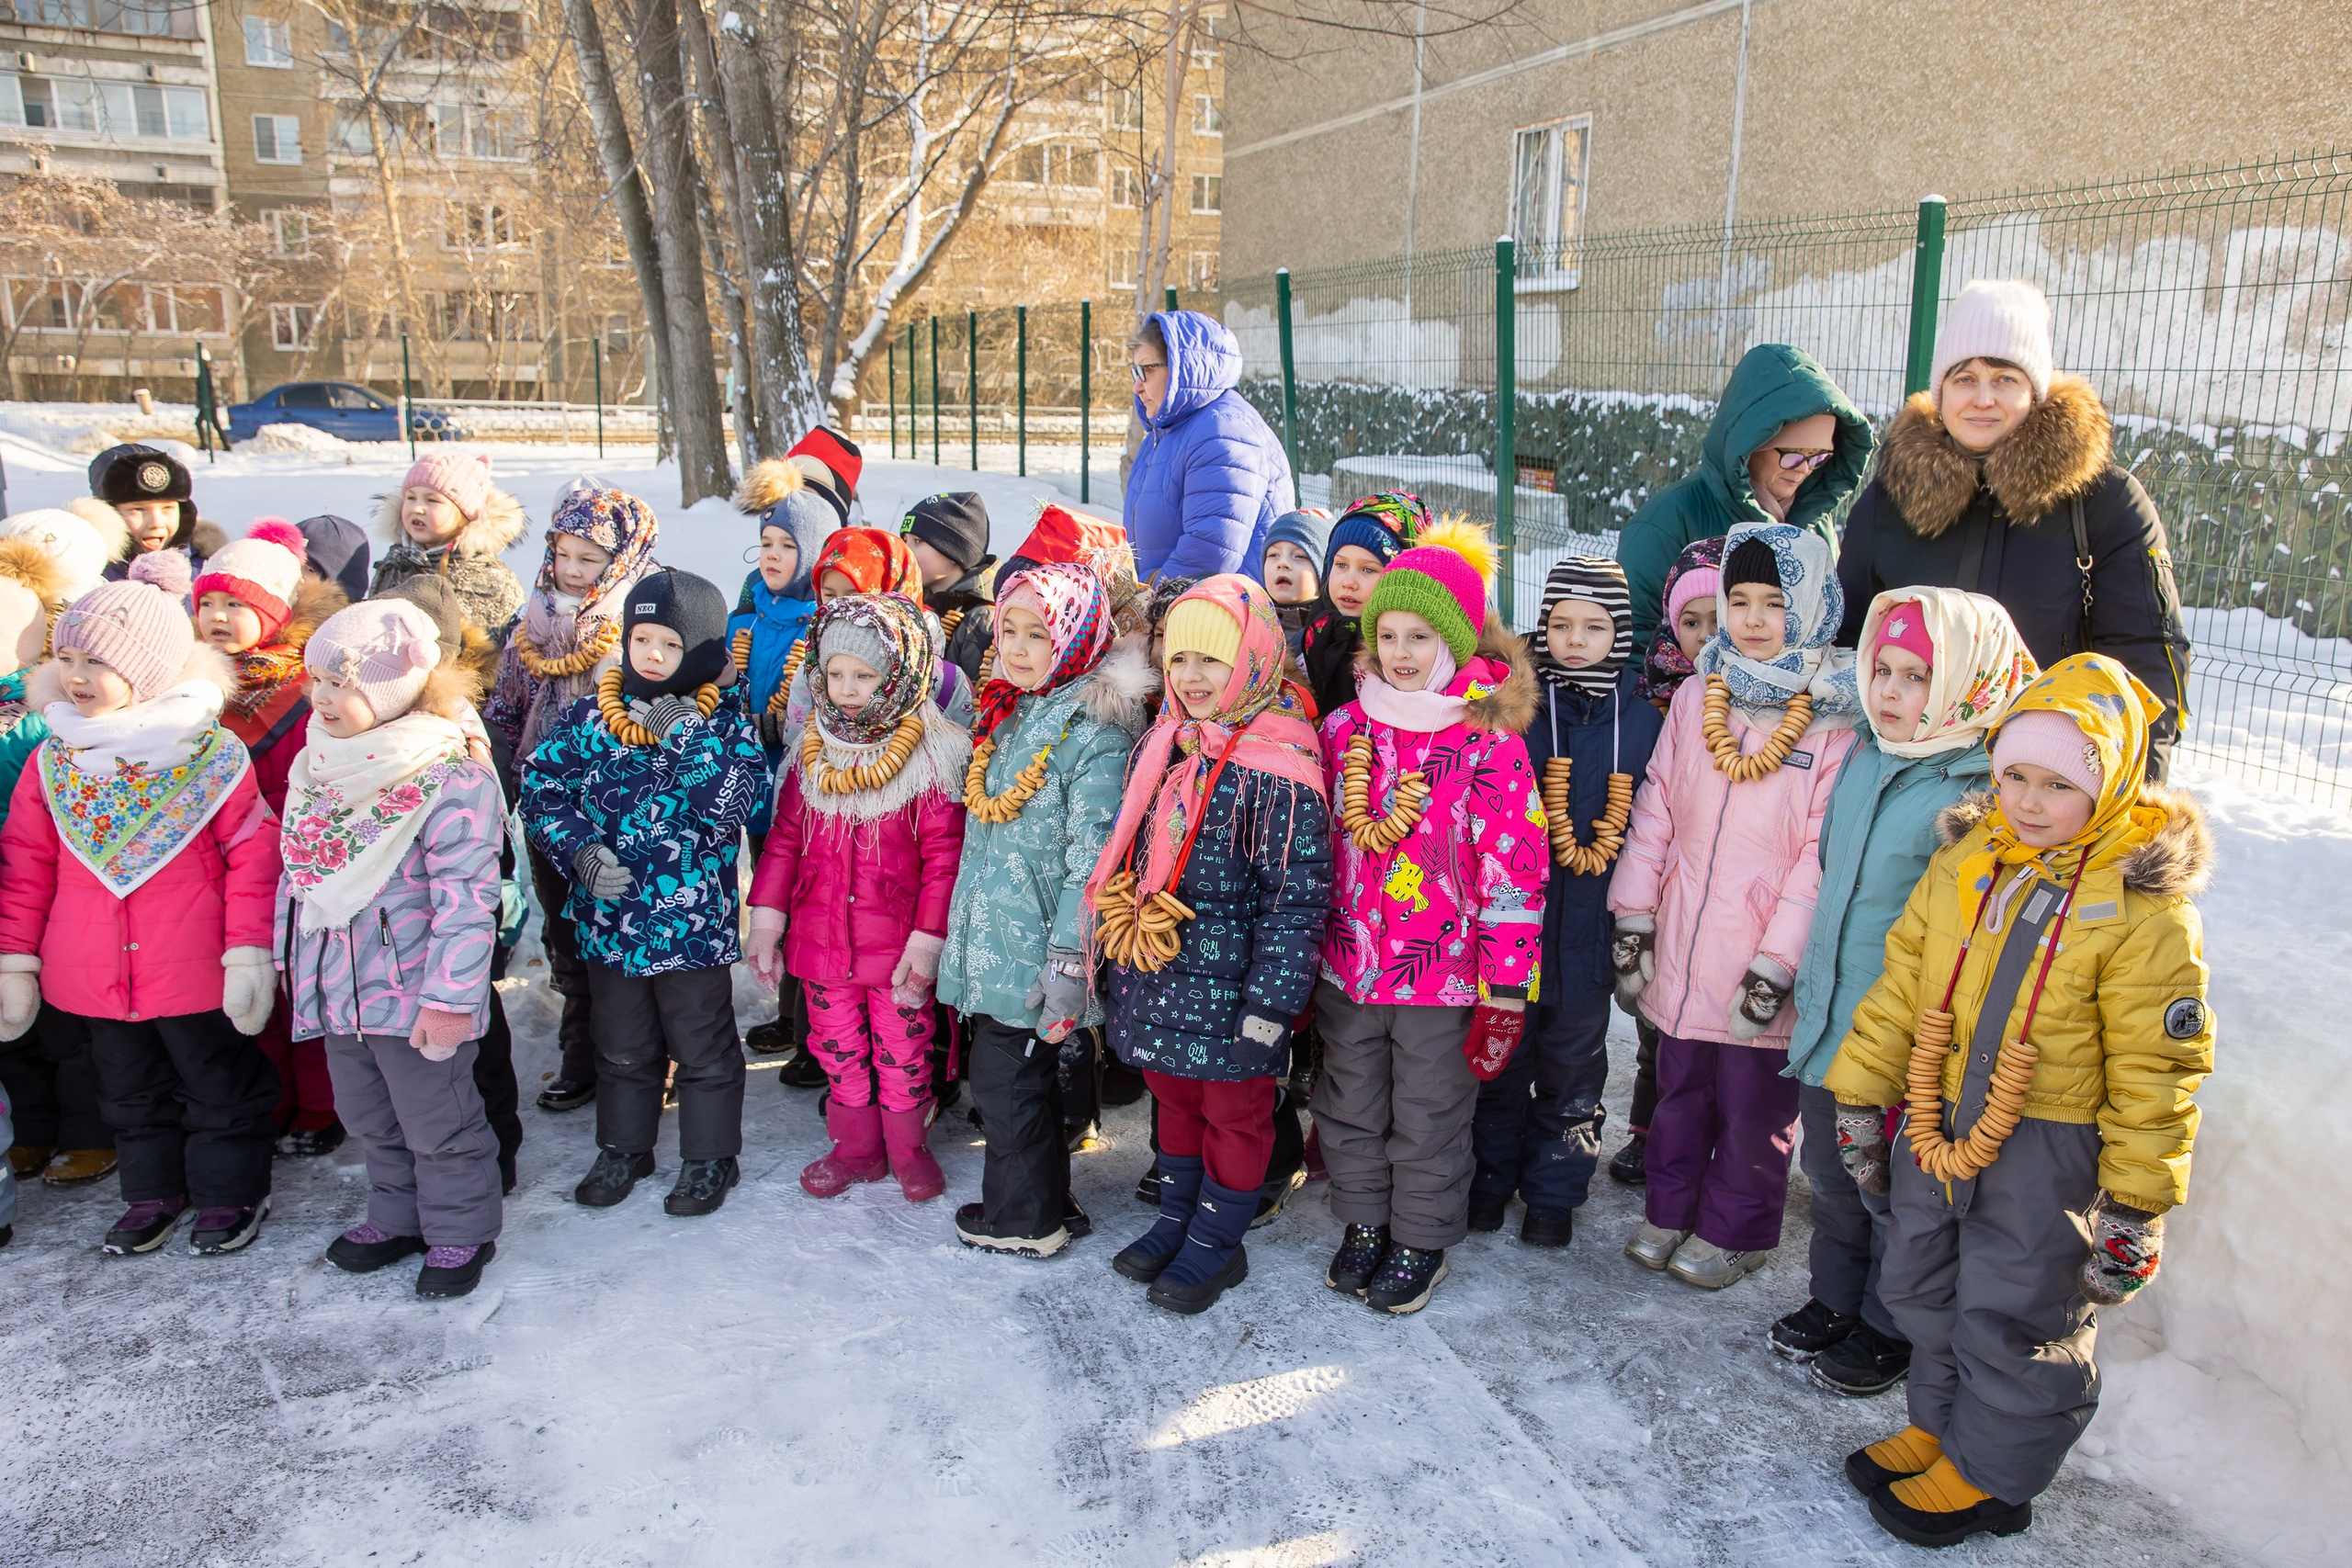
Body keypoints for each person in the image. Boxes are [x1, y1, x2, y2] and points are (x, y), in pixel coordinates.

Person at [1825, 653, 2211, 1549]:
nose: (2028, 803)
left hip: (2048, 1148)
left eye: (2057, 785)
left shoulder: (2142, 914)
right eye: (2013, 778)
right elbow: (1901, 986)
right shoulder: (1968, 863)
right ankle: (1940, 1429)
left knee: (2017, 1307)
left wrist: (2136, 1207)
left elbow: (2161, 1074)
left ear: (2110, 784)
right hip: (1939, 1119)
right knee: (1924, 1285)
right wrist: (1861, 1097)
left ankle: (1992, 1475)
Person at [1773, 588, 2038, 1397]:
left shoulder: (1981, 794)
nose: (1887, 691)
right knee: (1831, 1173)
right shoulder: (1863, 753)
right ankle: (1834, 1297)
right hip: (1832, 1024)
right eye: (1879, 669)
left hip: (1905, 1044)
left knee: (1895, 1193)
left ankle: (1892, 1324)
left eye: (1915, 675)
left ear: (1967, 679)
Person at [0, 553, 284, 1256]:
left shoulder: (208, 755)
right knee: (126, 1093)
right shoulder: (55, 760)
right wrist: (14, 958)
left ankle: (228, 1191)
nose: (75, 677)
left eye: (96, 662)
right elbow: (27, 865)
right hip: (93, 971)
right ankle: (151, 1192)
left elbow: (253, 856)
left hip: (192, 968)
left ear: (150, 670)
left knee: (217, 1085)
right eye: (66, 657)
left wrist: (248, 950)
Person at [1611, 521, 1861, 1290]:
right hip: (1684, 941)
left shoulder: (1834, 719)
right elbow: (1655, 807)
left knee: (1753, 1110)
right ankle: (1669, 1206)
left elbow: (1818, 857)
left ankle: (1738, 1227)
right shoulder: (1697, 695)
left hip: (1758, 954)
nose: (1752, 619)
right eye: (1739, 600)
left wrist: (1777, 963)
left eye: (1775, 602)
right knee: (1680, 1088)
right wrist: (1635, 913)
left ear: (1815, 607)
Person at [1314, 519, 1547, 1315]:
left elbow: (1515, 870)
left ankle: (1420, 1235)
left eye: (1420, 635)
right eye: (1388, 634)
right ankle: (1363, 1224)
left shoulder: (1487, 744)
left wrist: (1506, 986)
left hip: (1442, 978)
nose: (1402, 652)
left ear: (1452, 641)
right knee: (1348, 1103)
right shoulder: (1345, 729)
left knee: (1428, 1113)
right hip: (1348, 965)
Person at [1835, 279, 2192, 779]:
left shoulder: (2102, 502)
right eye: (1965, 378)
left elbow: (2144, 662)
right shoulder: (1889, 499)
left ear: (2035, 390)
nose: (1982, 398)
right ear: (1941, 391)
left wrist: (2133, 794)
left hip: (2042, 790)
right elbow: (1849, 639)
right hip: (1898, 776)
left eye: (2004, 378)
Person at [1091, 576, 1332, 1313]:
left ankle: (1216, 1243)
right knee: (1174, 1102)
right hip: (1162, 977)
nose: (1191, 677)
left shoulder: (1280, 768)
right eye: (1180, 658)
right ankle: (1176, 1218)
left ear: (1255, 661)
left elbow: (1295, 900)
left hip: (1234, 995)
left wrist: (1271, 1006)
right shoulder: (1166, 744)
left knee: (1234, 1113)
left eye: (1212, 662)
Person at [521, 570, 769, 1218]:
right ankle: (624, 1145)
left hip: (691, 931)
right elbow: (541, 788)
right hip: (612, 925)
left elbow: (735, 805)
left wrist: (685, 734)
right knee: (621, 1041)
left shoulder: (726, 725)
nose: (652, 655)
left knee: (702, 1045)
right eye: (641, 638)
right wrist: (577, 848)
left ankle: (710, 1153)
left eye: (669, 643)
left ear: (703, 653)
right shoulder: (590, 718)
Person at [280, 598, 505, 1299]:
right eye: (317, 680)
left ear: (389, 689)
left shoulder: (447, 774)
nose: (322, 698)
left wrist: (450, 999)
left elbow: (468, 900)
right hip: (339, 987)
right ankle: (395, 1215)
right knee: (369, 1117)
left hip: (413, 993)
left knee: (438, 1120)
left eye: (341, 683)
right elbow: (296, 877)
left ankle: (460, 1227)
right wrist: (288, 963)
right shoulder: (318, 764)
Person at [939, 558, 1154, 1257]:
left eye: (1039, 634)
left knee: (1007, 1086)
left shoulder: (1093, 729)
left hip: (1036, 952)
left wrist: (1069, 957)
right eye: (1010, 632)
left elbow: (1092, 861)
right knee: (1012, 1080)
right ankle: (1045, 1196)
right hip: (997, 940)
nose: (1020, 649)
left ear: (1076, 640)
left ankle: (1024, 1217)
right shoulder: (1012, 710)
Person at [746, 592, 968, 1204]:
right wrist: (767, 919)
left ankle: (906, 1148)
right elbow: (786, 839)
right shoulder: (811, 751)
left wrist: (928, 940)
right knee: (837, 1044)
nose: (847, 689)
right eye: (836, 673)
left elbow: (944, 858)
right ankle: (856, 1148)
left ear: (899, 674)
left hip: (897, 947)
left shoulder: (931, 757)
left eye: (864, 675)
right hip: (821, 943)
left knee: (903, 1049)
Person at [1471, 557, 1662, 1247]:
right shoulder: (1517, 708)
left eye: (1594, 625)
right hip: (1509, 943)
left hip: (1586, 942)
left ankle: (1555, 1193)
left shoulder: (1644, 720)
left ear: (1622, 632)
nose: (1576, 638)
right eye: (1560, 623)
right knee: (1499, 1067)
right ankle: (1488, 1184)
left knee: (1575, 1073)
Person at [484, 483, 661, 1114]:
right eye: (565, 554)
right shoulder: (530, 627)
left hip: (621, 812)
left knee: (625, 932)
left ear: (621, 561)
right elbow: (505, 710)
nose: (573, 569)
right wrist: (502, 776)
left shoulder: (636, 627)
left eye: (590, 558)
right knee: (567, 933)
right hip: (546, 809)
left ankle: (643, 1052)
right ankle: (581, 1049)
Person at [194, 518, 349, 1156]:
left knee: (298, 989)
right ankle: (273, 1097)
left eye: (238, 604)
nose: (219, 617)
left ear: (276, 613)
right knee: (243, 990)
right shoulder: (192, 690)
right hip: (219, 870)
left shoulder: (304, 690)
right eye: (208, 603)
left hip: (296, 865)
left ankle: (318, 1104)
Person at [373, 573, 524, 1190]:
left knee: (474, 1025)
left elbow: (494, 809)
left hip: (459, 908)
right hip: (391, 923)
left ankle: (496, 1145)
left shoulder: (455, 730)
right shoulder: (360, 723)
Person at [1615, 346, 1875, 646]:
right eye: (1791, 455)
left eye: (1818, 457)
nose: (1804, 469)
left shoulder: (1815, 523)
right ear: (1747, 446)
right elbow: (1632, 645)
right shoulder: (1665, 522)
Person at [1609, 534, 1725, 1186]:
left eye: (1718, 619)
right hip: (1661, 872)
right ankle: (1649, 1130)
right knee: (1656, 1015)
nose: (1705, 636)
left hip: (1725, 876)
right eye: (1691, 621)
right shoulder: (1651, 691)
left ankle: (1707, 1139)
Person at [0, 537, 115, 1193]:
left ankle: (86, 1131)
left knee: (64, 1024)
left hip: (54, 884)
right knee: (11, 1027)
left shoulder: (46, 721)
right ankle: (32, 1127)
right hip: (8, 882)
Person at [1122, 310, 1295, 582]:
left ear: (1182, 366)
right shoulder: (1164, 433)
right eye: (1134, 372)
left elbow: (1212, 548)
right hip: (1176, 612)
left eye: (1146, 370)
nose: (1137, 386)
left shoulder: (1223, 430)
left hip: (1221, 615)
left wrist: (1151, 594)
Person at [368, 451, 527, 641]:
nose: (416, 508)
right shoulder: (396, 562)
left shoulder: (490, 579)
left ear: (464, 513)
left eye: (432, 500)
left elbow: (501, 651)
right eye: (411, 498)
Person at [1299, 492, 1422, 725]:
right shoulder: (1315, 632)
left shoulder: (1412, 650)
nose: (1348, 582)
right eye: (1341, 565)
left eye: (1368, 570)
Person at [899, 491, 996, 685]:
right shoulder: (911, 604)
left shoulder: (981, 619)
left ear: (954, 552)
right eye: (904, 541)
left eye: (918, 542)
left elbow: (971, 700)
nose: (906, 552)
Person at [90, 443, 225, 579]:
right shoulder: (89, 577)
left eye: (168, 508)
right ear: (107, 513)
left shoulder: (206, 570)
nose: (156, 523)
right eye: (138, 509)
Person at [1259, 507, 1332, 657]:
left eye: (1300, 556)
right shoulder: (1250, 622)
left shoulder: (1335, 632)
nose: (1283, 563)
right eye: (1273, 555)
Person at [295, 514, 372, 604]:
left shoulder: (362, 617)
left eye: (311, 570)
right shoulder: (279, 610)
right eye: (290, 566)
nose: (296, 577)